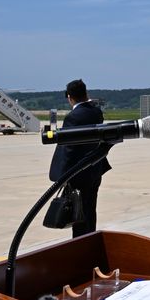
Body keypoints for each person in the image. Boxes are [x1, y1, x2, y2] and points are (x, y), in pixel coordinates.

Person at [48, 79, 111, 238]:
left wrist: (62, 175)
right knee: (89, 211)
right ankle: (89, 240)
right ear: (86, 93)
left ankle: (80, 244)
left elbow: (69, 149)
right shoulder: (96, 112)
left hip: (78, 174)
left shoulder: (73, 117)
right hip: (94, 171)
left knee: (78, 216)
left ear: (70, 97)